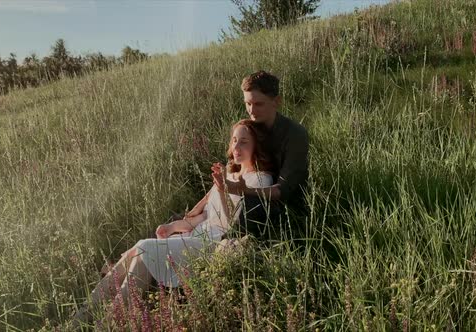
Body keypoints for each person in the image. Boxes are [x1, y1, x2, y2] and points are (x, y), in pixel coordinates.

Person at [72, 119, 274, 326]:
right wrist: (172, 227)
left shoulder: (260, 180)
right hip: (197, 236)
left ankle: (101, 323)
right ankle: (85, 316)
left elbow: (232, 226)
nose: (236, 147)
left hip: (214, 244)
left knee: (143, 247)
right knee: (139, 258)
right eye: (234, 141)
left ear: (257, 145)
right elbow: (204, 216)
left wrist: (223, 189)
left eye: (244, 142)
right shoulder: (230, 173)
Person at [212, 70, 309, 240]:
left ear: (276, 102)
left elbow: (282, 191)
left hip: (285, 208)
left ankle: (231, 247)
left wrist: (244, 190)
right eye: (248, 104)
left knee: (250, 201)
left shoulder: (295, 134)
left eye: (258, 104)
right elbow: (232, 168)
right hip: (247, 198)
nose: (252, 111)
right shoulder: (251, 128)